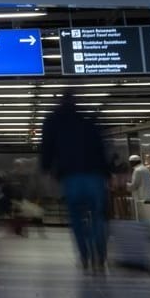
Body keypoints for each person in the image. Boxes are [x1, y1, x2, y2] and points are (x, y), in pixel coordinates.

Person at [39, 92, 109, 272]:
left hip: (71, 176)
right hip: (95, 175)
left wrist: (46, 169)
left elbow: (47, 147)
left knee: (76, 218)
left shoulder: (54, 121)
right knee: (97, 215)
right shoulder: (88, 120)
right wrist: (108, 173)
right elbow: (102, 147)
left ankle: (84, 255)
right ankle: (99, 254)